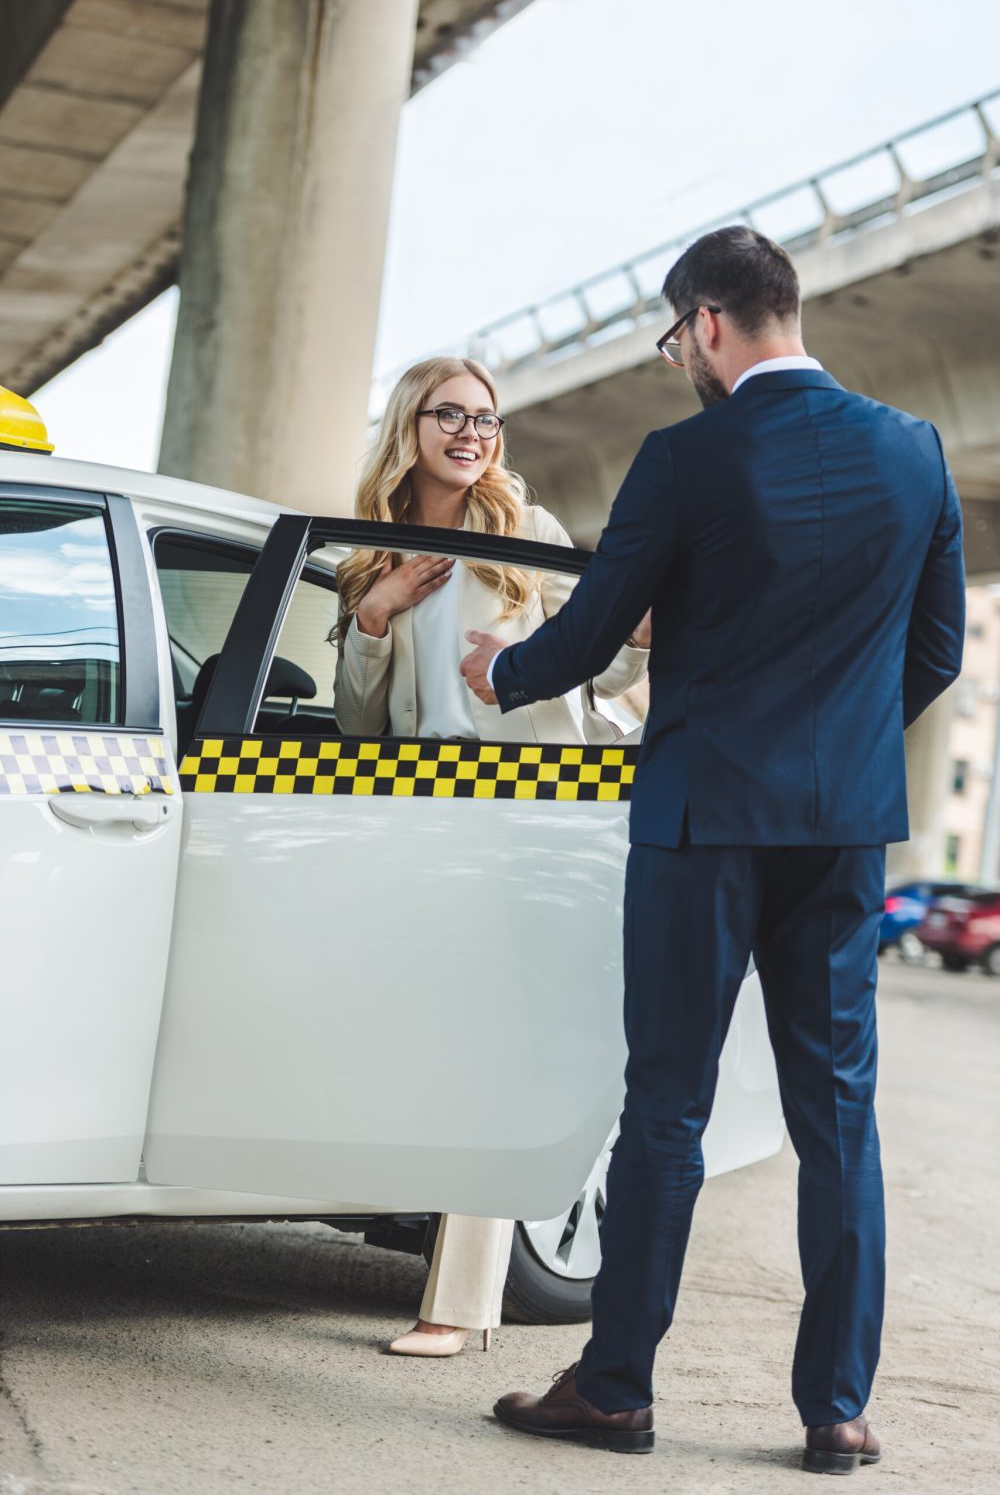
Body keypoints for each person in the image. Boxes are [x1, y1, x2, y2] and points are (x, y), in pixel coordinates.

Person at [462, 226, 965, 1471]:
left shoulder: (685, 457)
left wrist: (496, 669)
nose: (680, 354)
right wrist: (839, 745)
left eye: (675, 336)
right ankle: (836, 1412)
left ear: (705, 325)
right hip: (841, 830)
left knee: (667, 1108)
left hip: (700, 823)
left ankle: (617, 1387)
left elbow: (582, 639)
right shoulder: (915, 451)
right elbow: (939, 650)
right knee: (837, 1117)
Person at [333, 355, 650, 1358]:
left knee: (489, 1044)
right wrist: (374, 618)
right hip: (427, 821)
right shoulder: (369, 553)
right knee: (433, 1040)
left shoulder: (529, 536)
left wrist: (637, 636)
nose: (472, 434)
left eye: (486, 419)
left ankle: (457, 1307)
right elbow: (358, 724)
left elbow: (599, 653)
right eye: (451, 415)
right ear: (409, 424)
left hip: (532, 813)